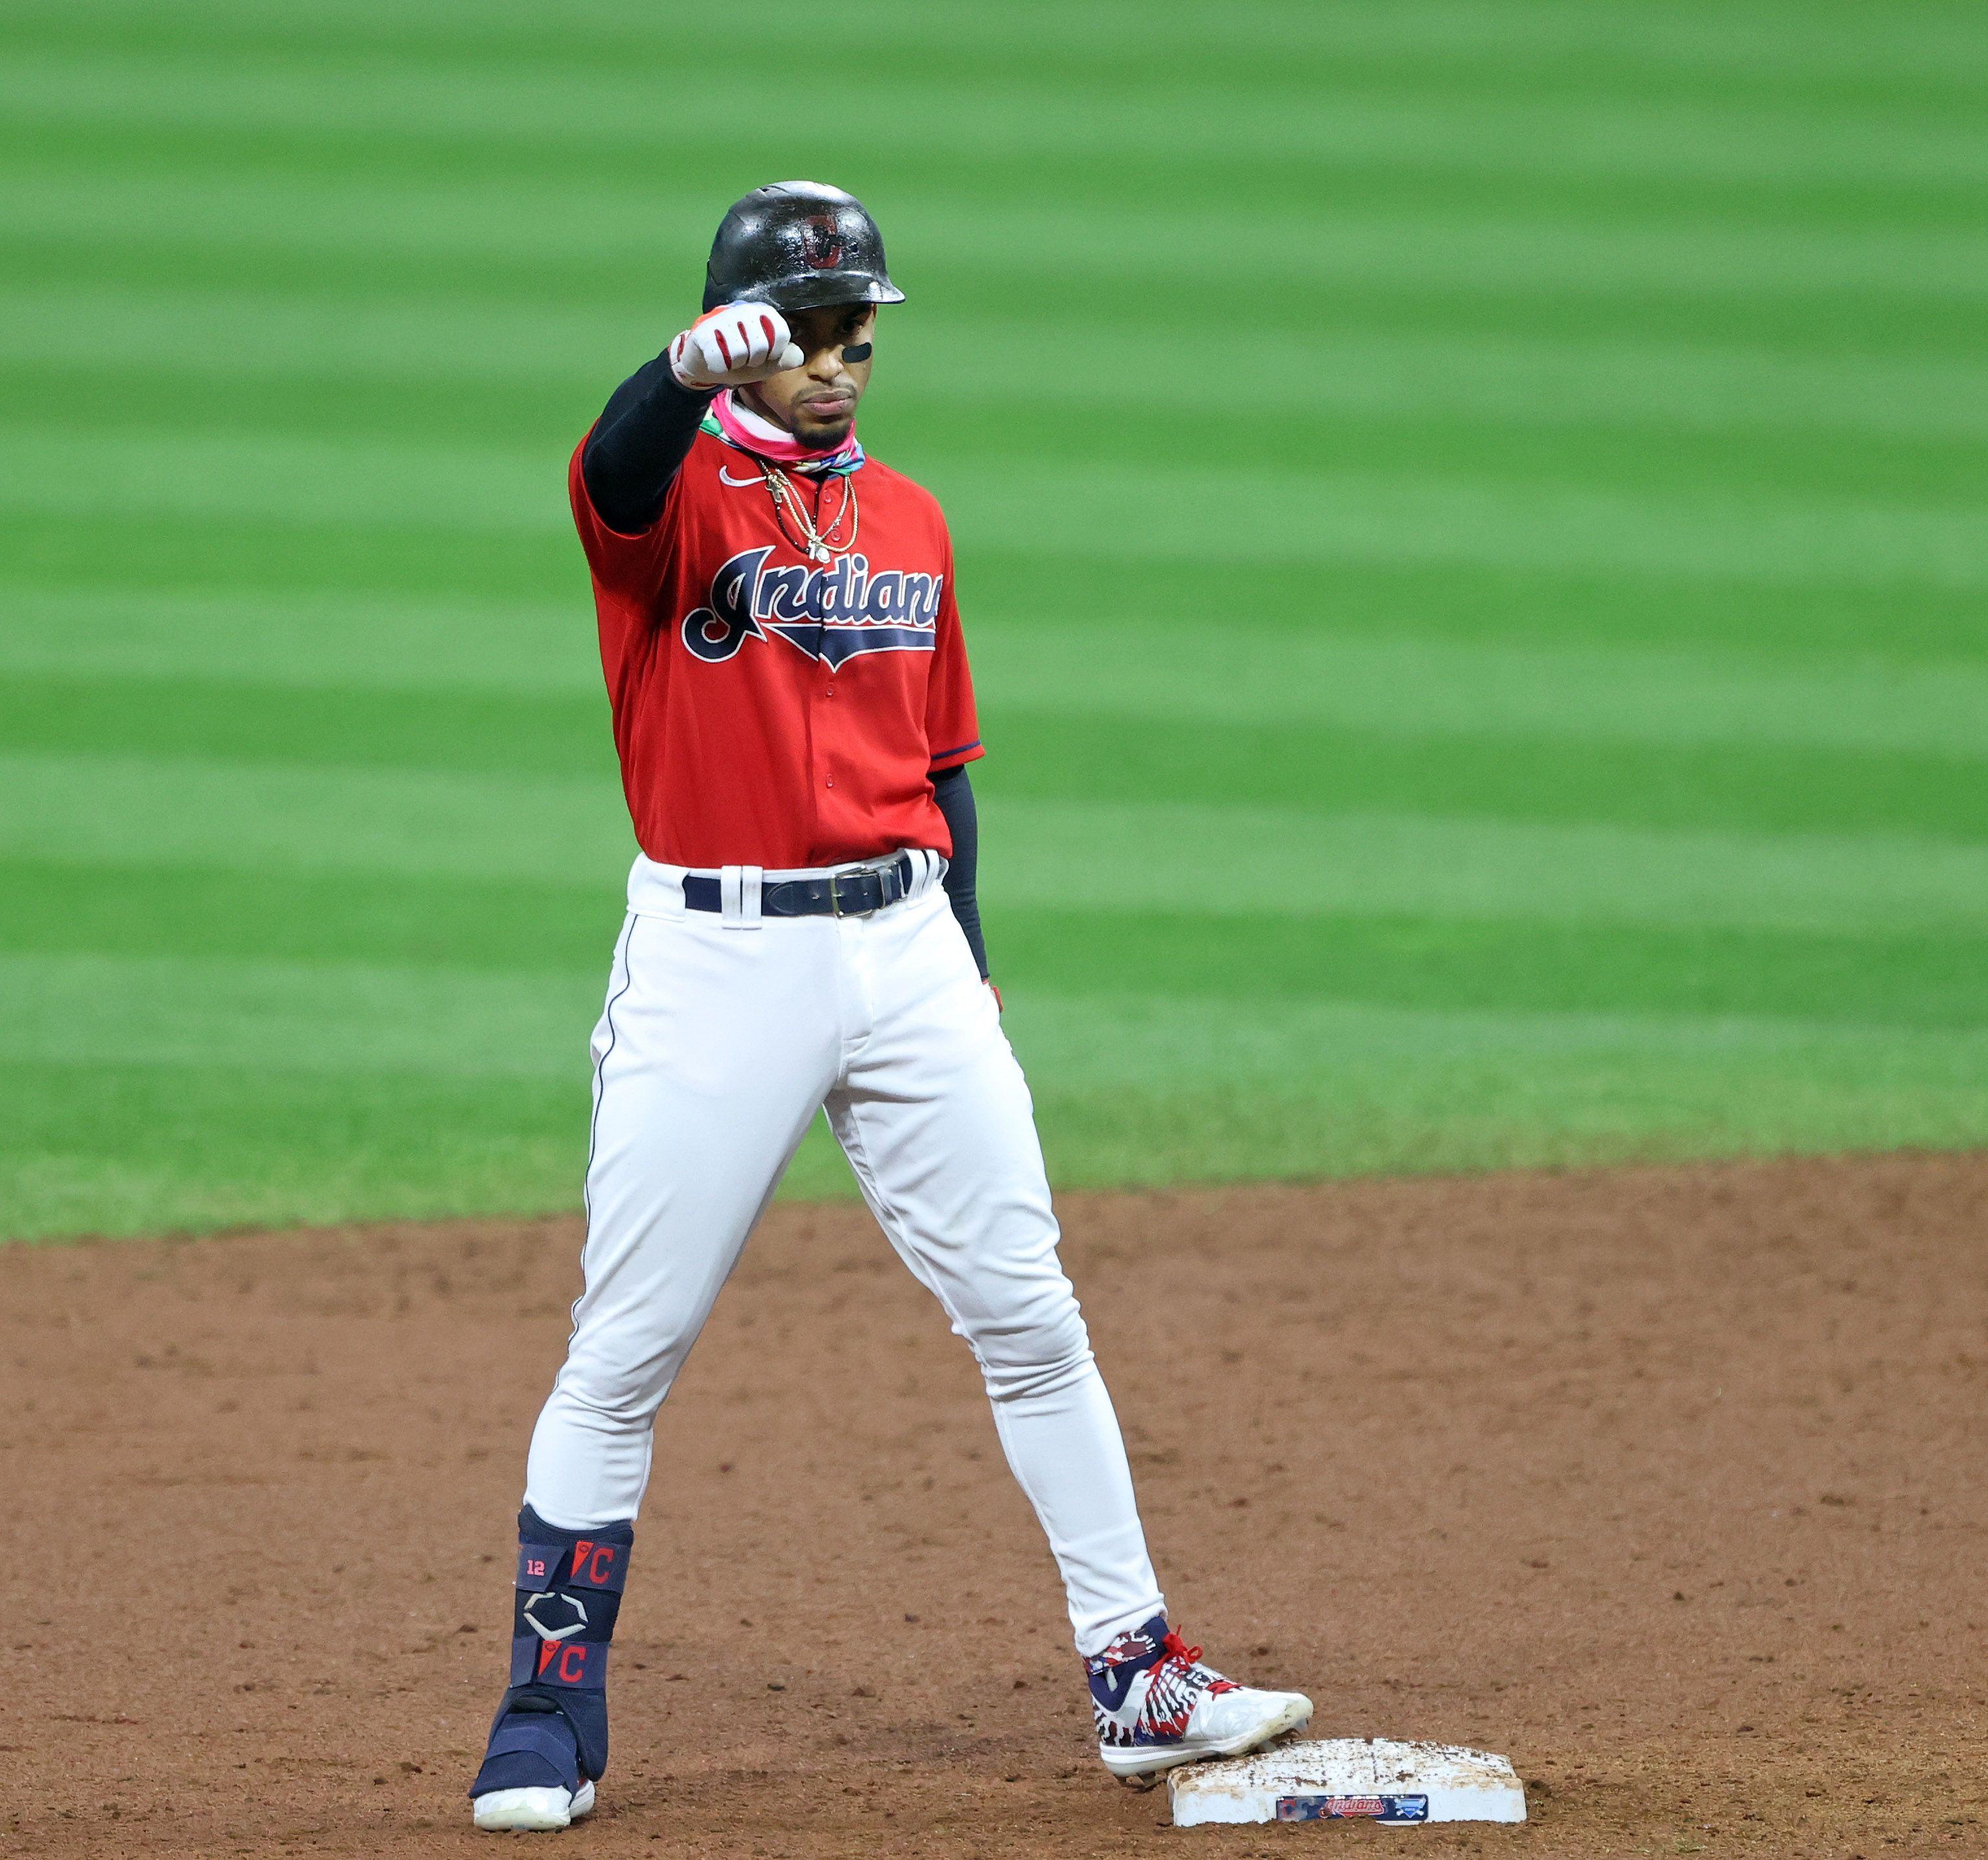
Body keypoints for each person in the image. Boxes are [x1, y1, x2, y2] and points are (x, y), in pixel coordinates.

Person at [468, 180, 1310, 1833]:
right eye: (813, 338)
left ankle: (1136, 1670)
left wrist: (971, 963)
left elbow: (943, 766)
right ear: (747, 337)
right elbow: (610, 469)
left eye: (861, 335)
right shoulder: (671, 502)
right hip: (721, 960)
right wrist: (672, 376)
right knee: (628, 1348)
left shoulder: (913, 518)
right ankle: (544, 1714)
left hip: (907, 944)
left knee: (1028, 1305)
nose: (846, 365)